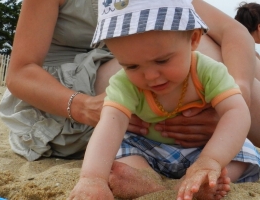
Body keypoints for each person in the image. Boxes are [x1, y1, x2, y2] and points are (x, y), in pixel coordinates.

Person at [0, 0, 260, 162]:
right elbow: (21, 72)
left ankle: (229, 130)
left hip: (134, 67)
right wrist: (84, 107)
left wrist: (237, 97)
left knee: (245, 66)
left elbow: (233, 32)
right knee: (198, 51)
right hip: (68, 93)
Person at [68, 1, 260, 200]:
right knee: (119, 148)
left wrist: (210, 160)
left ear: (193, 39)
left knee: (241, 150)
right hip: (149, 148)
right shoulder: (124, 83)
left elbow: (235, 112)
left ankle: (200, 178)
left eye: (162, 60)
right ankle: (148, 180)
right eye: (132, 66)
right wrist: (92, 178)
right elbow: (110, 125)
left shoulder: (207, 71)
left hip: (205, 146)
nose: (150, 76)